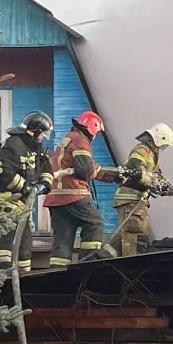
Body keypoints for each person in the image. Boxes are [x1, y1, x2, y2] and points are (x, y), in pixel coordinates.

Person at [43, 110, 119, 267]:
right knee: (95, 223)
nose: (95, 136)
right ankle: (87, 265)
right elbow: (85, 170)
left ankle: (57, 275)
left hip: (56, 199)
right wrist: (110, 174)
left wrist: (112, 176)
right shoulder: (81, 141)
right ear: (92, 128)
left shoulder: (68, 139)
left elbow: (81, 167)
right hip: (74, 194)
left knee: (63, 239)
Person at [0, 111, 55, 272]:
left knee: (25, 246)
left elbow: (46, 168)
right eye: (41, 134)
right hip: (6, 206)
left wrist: (44, 184)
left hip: (23, 209)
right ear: (33, 132)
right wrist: (24, 186)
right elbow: (2, 172)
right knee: (4, 247)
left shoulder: (35, 148)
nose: (42, 138)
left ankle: (23, 280)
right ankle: (3, 279)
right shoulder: (12, 145)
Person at [111, 123, 173, 256]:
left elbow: (157, 177)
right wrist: (153, 182)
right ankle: (131, 270)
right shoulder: (142, 150)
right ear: (159, 139)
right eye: (164, 145)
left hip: (137, 201)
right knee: (134, 239)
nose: (163, 148)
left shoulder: (151, 155)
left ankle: (108, 257)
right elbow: (135, 169)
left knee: (132, 238)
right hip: (131, 200)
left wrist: (172, 189)